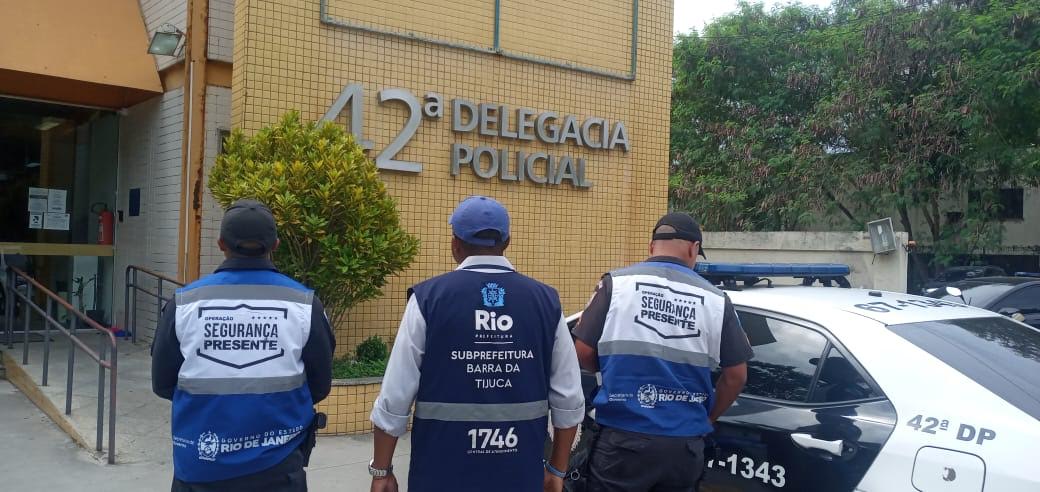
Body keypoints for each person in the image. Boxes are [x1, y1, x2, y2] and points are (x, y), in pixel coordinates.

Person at [368, 195, 585, 492]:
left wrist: (381, 471)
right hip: (519, 473)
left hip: (440, 474)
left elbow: (395, 396)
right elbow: (569, 399)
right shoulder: (546, 302)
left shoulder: (428, 299)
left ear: (455, 244)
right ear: (507, 242)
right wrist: (556, 470)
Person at [152, 199, 335, 492]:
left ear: (221, 244)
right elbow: (320, 385)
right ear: (275, 245)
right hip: (278, 470)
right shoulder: (304, 305)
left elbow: (162, 384)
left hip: (200, 467)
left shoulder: (184, 304)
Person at [572, 212, 753, 492]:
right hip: (683, 448)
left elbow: (582, 350)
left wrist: (610, 368)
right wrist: (706, 419)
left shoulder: (615, 285)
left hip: (623, 442)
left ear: (651, 246)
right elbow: (736, 376)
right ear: (694, 249)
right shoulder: (717, 300)